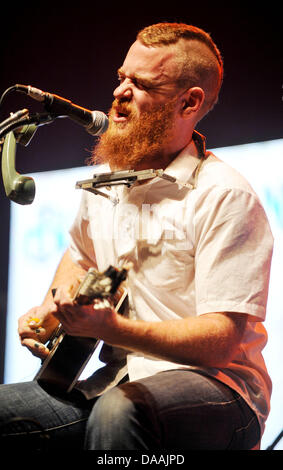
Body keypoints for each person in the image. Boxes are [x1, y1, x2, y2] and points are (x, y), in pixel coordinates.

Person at [0, 22, 273, 450]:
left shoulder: (224, 194)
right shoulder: (108, 181)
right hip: (115, 384)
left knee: (120, 411)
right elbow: (82, 258)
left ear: (190, 102)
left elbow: (221, 340)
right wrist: (49, 313)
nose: (118, 93)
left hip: (222, 394)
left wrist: (115, 328)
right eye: (121, 77)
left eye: (141, 83)